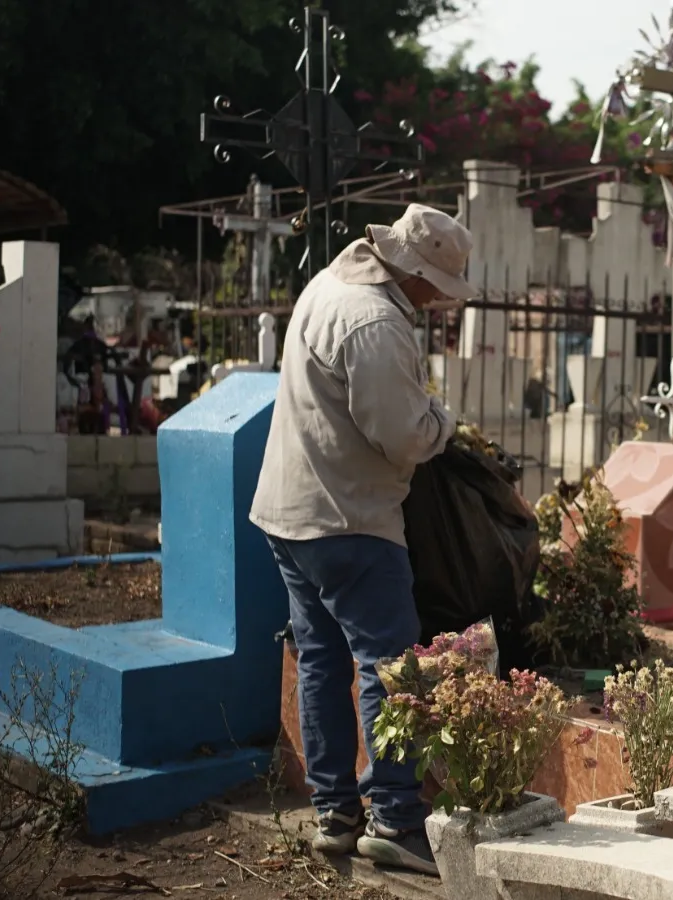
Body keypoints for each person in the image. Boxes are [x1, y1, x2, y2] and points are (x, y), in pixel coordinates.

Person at [249, 204, 476, 876]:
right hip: (349, 518)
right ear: (414, 272)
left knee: (320, 659)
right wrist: (443, 421)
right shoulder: (376, 321)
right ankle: (396, 819)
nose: (439, 298)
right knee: (392, 666)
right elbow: (401, 433)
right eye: (438, 283)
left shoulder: (328, 286)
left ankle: (334, 813)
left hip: (288, 513)